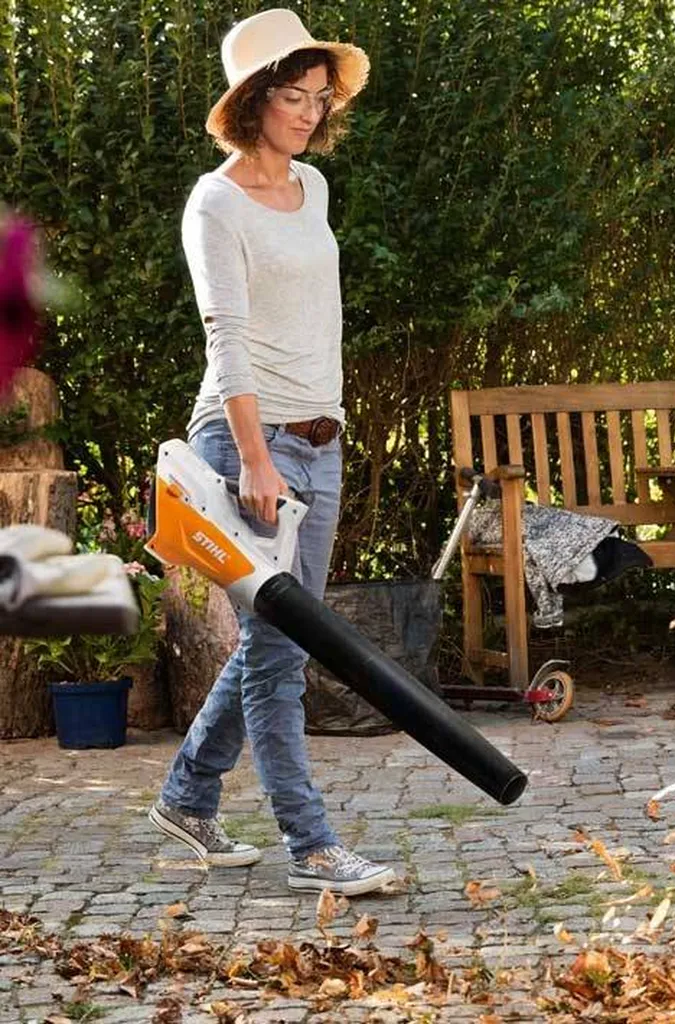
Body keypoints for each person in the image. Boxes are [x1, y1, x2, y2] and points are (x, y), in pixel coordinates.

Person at [148, 8, 395, 896]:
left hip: (319, 442)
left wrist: (325, 420)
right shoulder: (214, 202)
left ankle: (187, 794)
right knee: (283, 648)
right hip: (250, 441)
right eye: (292, 97)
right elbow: (229, 337)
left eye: (319, 98)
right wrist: (253, 458)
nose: (309, 113)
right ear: (251, 101)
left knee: (273, 641)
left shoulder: (314, 189)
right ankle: (312, 845)